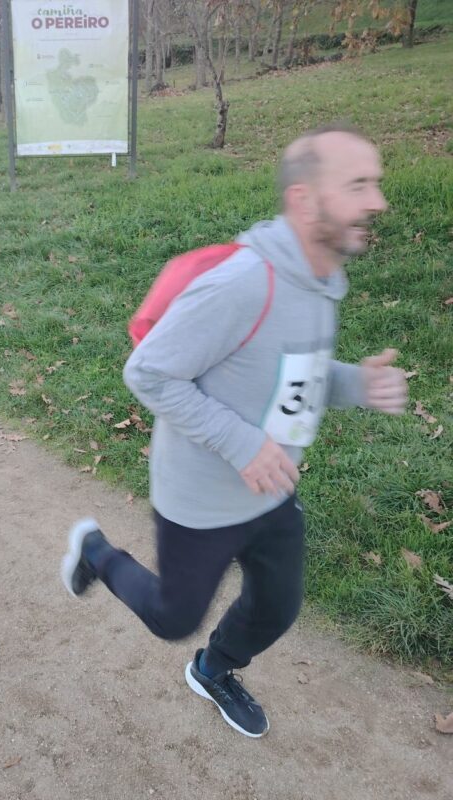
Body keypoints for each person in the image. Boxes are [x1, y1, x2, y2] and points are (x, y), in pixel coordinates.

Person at [61, 123, 408, 738]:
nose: (378, 202)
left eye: (375, 184)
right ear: (305, 200)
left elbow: (292, 371)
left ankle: (213, 670)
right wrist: (242, 443)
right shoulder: (245, 282)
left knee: (278, 605)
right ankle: (97, 553)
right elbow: (149, 373)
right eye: (359, 185)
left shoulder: (321, 283)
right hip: (200, 498)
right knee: (172, 617)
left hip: (272, 488)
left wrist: (356, 384)